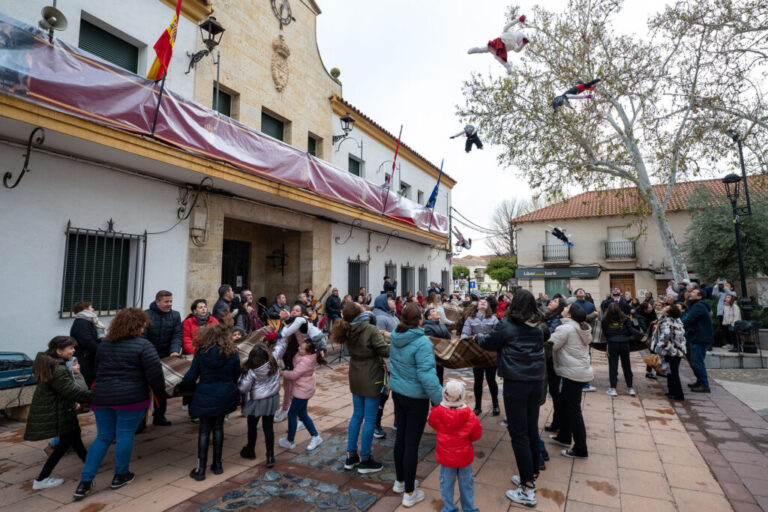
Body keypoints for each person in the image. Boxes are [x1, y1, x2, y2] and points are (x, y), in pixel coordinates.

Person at [74, 308, 166, 501]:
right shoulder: (144, 345)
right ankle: (120, 475)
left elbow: (97, 369)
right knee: (125, 436)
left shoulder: (105, 345)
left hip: (102, 396)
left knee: (103, 437)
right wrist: (161, 396)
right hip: (131, 398)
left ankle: (84, 482)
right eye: (142, 325)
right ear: (137, 325)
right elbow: (155, 375)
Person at [476, 289, 548, 507]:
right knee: (531, 428)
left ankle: (526, 488)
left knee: (518, 433)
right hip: (536, 380)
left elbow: (489, 343)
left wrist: (479, 337)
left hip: (516, 382)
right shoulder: (539, 326)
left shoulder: (507, 325)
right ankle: (531, 474)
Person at [389, 302, 443, 507]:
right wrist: (439, 400)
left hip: (399, 394)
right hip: (416, 399)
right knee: (411, 443)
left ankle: (400, 481)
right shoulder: (422, 343)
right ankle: (410, 493)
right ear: (419, 320)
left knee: (401, 438)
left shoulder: (396, 335)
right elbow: (427, 374)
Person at [25, 336, 91, 490]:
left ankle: (89, 464)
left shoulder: (49, 362)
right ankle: (41, 479)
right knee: (65, 443)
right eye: (70, 348)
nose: (74, 351)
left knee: (74, 435)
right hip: (60, 410)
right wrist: (96, 395)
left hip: (61, 409)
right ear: (59, 350)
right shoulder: (58, 368)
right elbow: (71, 391)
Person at [331, 302, 389, 474]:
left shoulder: (347, 329)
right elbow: (384, 351)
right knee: (370, 419)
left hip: (356, 375)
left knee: (357, 416)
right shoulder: (369, 329)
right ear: (359, 313)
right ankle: (365, 459)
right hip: (372, 376)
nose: (364, 306)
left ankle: (351, 456)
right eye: (361, 306)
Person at [181, 324, 241, 481]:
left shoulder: (202, 352)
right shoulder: (232, 352)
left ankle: (201, 469)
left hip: (206, 393)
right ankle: (218, 465)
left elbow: (191, 376)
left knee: (204, 431)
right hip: (224, 394)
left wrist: (184, 388)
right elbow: (236, 375)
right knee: (219, 428)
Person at [428, 380, 482, 512]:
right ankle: (469, 508)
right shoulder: (470, 415)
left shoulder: (437, 412)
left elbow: (431, 422)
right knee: (467, 485)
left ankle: (449, 508)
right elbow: (476, 434)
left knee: (446, 485)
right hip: (464, 457)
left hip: (446, 458)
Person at [548, 304, 593, 459]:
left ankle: (581, 448)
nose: (564, 307)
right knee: (566, 404)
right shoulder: (580, 327)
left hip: (573, 373)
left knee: (574, 411)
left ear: (570, 314)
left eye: (567, 307)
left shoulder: (565, 329)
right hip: (578, 371)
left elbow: (550, 346)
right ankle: (564, 436)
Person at [239, 333, 288, 468]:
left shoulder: (251, 370)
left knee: (252, 426)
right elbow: (282, 345)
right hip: (272, 399)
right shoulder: (275, 360)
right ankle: (270, 456)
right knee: (268, 428)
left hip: (257, 401)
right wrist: (283, 332)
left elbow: (243, 388)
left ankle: (250, 450)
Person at [273, 304, 327, 423]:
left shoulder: (302, 325)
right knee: (287, 388)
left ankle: (299, 417)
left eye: (297, 311)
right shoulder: (289, 323)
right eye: (292, 310)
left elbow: (305, 338)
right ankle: (285, 409)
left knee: (298, 392)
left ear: (302, 314)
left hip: (300, 362)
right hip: (289, 359)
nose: (294, 312)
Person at [278, 339, 326, 452]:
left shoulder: (306, 362)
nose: (298, 349)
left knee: (292, 414)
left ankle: (290, 441)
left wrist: (282, 373)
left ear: (308, 352)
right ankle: (315, 437)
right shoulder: (307, 356)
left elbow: (294, 375)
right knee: (303, 414)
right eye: (299, 347)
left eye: (301, 348)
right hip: (304, 387)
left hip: (302, 390)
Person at [142, 290, 182, 427]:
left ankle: (159, 415)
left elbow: (177, 335)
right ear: (157, 302)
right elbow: (143, 338)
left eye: (171, 301)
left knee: (161, 387)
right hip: (148, 356)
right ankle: (141, 420)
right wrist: (149, 354)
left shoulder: (175, 315)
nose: (169, 304)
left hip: (166, 356)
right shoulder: (146, 315)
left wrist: (175, 351)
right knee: (144, 389)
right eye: (166, 302)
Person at [461, 298, 500, 415]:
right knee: (477, 380)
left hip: (490, 354)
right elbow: (464, 335)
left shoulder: (493, 318)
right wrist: (469, 337)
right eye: (481, 301)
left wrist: (480, 335)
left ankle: (496, 405)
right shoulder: (470, 319)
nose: (483, 302)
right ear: (477, 306)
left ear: (488, 306)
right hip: (476, 353)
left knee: (491, 379)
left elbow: (497, 334)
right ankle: (478, 406)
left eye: (485, 302)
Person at [371, 294, 397, 438]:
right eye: (390, 299)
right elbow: (380, 341)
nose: (393, 301)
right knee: (384, 393)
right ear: (383, 302)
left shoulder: (392, 316)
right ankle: (376, 424)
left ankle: (397, 421)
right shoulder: (380, 318)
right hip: (385, 363)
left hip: (394, 359)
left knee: (396, 391)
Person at [602, 303, 641, 397]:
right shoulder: (625, 318)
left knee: (613, 366)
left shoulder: (605, 319)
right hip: (624, 344)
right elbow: (630, 330)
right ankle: (630, 388)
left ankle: (613, 388)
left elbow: (604, 332)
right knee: (627, 365)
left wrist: (610, 338)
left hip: (612, 344)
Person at [650, 305, 686, 400]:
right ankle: (672, 392)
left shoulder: (668, 322)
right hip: (671, 350)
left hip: (672, 350)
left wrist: (658, 347)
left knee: (673, 372)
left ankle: (678, 394)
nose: (663, 308)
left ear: (668, 312)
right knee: (669, 372)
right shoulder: (670, 319)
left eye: (666, 308)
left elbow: (666, 335)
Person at [684, 287, 714, 392]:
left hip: (701, 338)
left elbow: (689, 320)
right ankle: (699, 382)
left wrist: (680, 327)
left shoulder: (698, 306)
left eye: (693, 292)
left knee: (697, 361)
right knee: (695, 361)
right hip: (699, 336)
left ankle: (705, 385)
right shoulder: (698, 305)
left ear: (699, 296)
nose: (690, 293)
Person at [543, 297, 566, 432]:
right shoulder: (550, 316)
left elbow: (548, 335)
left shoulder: (557, 319)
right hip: (549, 358)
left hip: (551, 358)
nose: (551, 302)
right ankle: (558, 422)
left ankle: (558, 422)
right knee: (553, 391)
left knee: (554, 391)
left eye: (555, 301)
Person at [69, 301, 104, 387]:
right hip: (84, 358)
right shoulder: (81, 323)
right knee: (86, 379)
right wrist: (102, 349)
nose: (93, 309)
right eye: (91, 307)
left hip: (89, 356)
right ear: (85, 310)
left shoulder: (88, 321)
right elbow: (87, 341)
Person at [423, 307, 451, 385]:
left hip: (441, 356)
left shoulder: (442, 325)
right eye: (433, 311)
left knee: (440, 378)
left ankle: (439, 395)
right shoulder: (427, 327)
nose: (437, 312)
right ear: (429, 317)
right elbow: (431, 342)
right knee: (433, 379)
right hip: (432, 358)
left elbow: (449, 339)